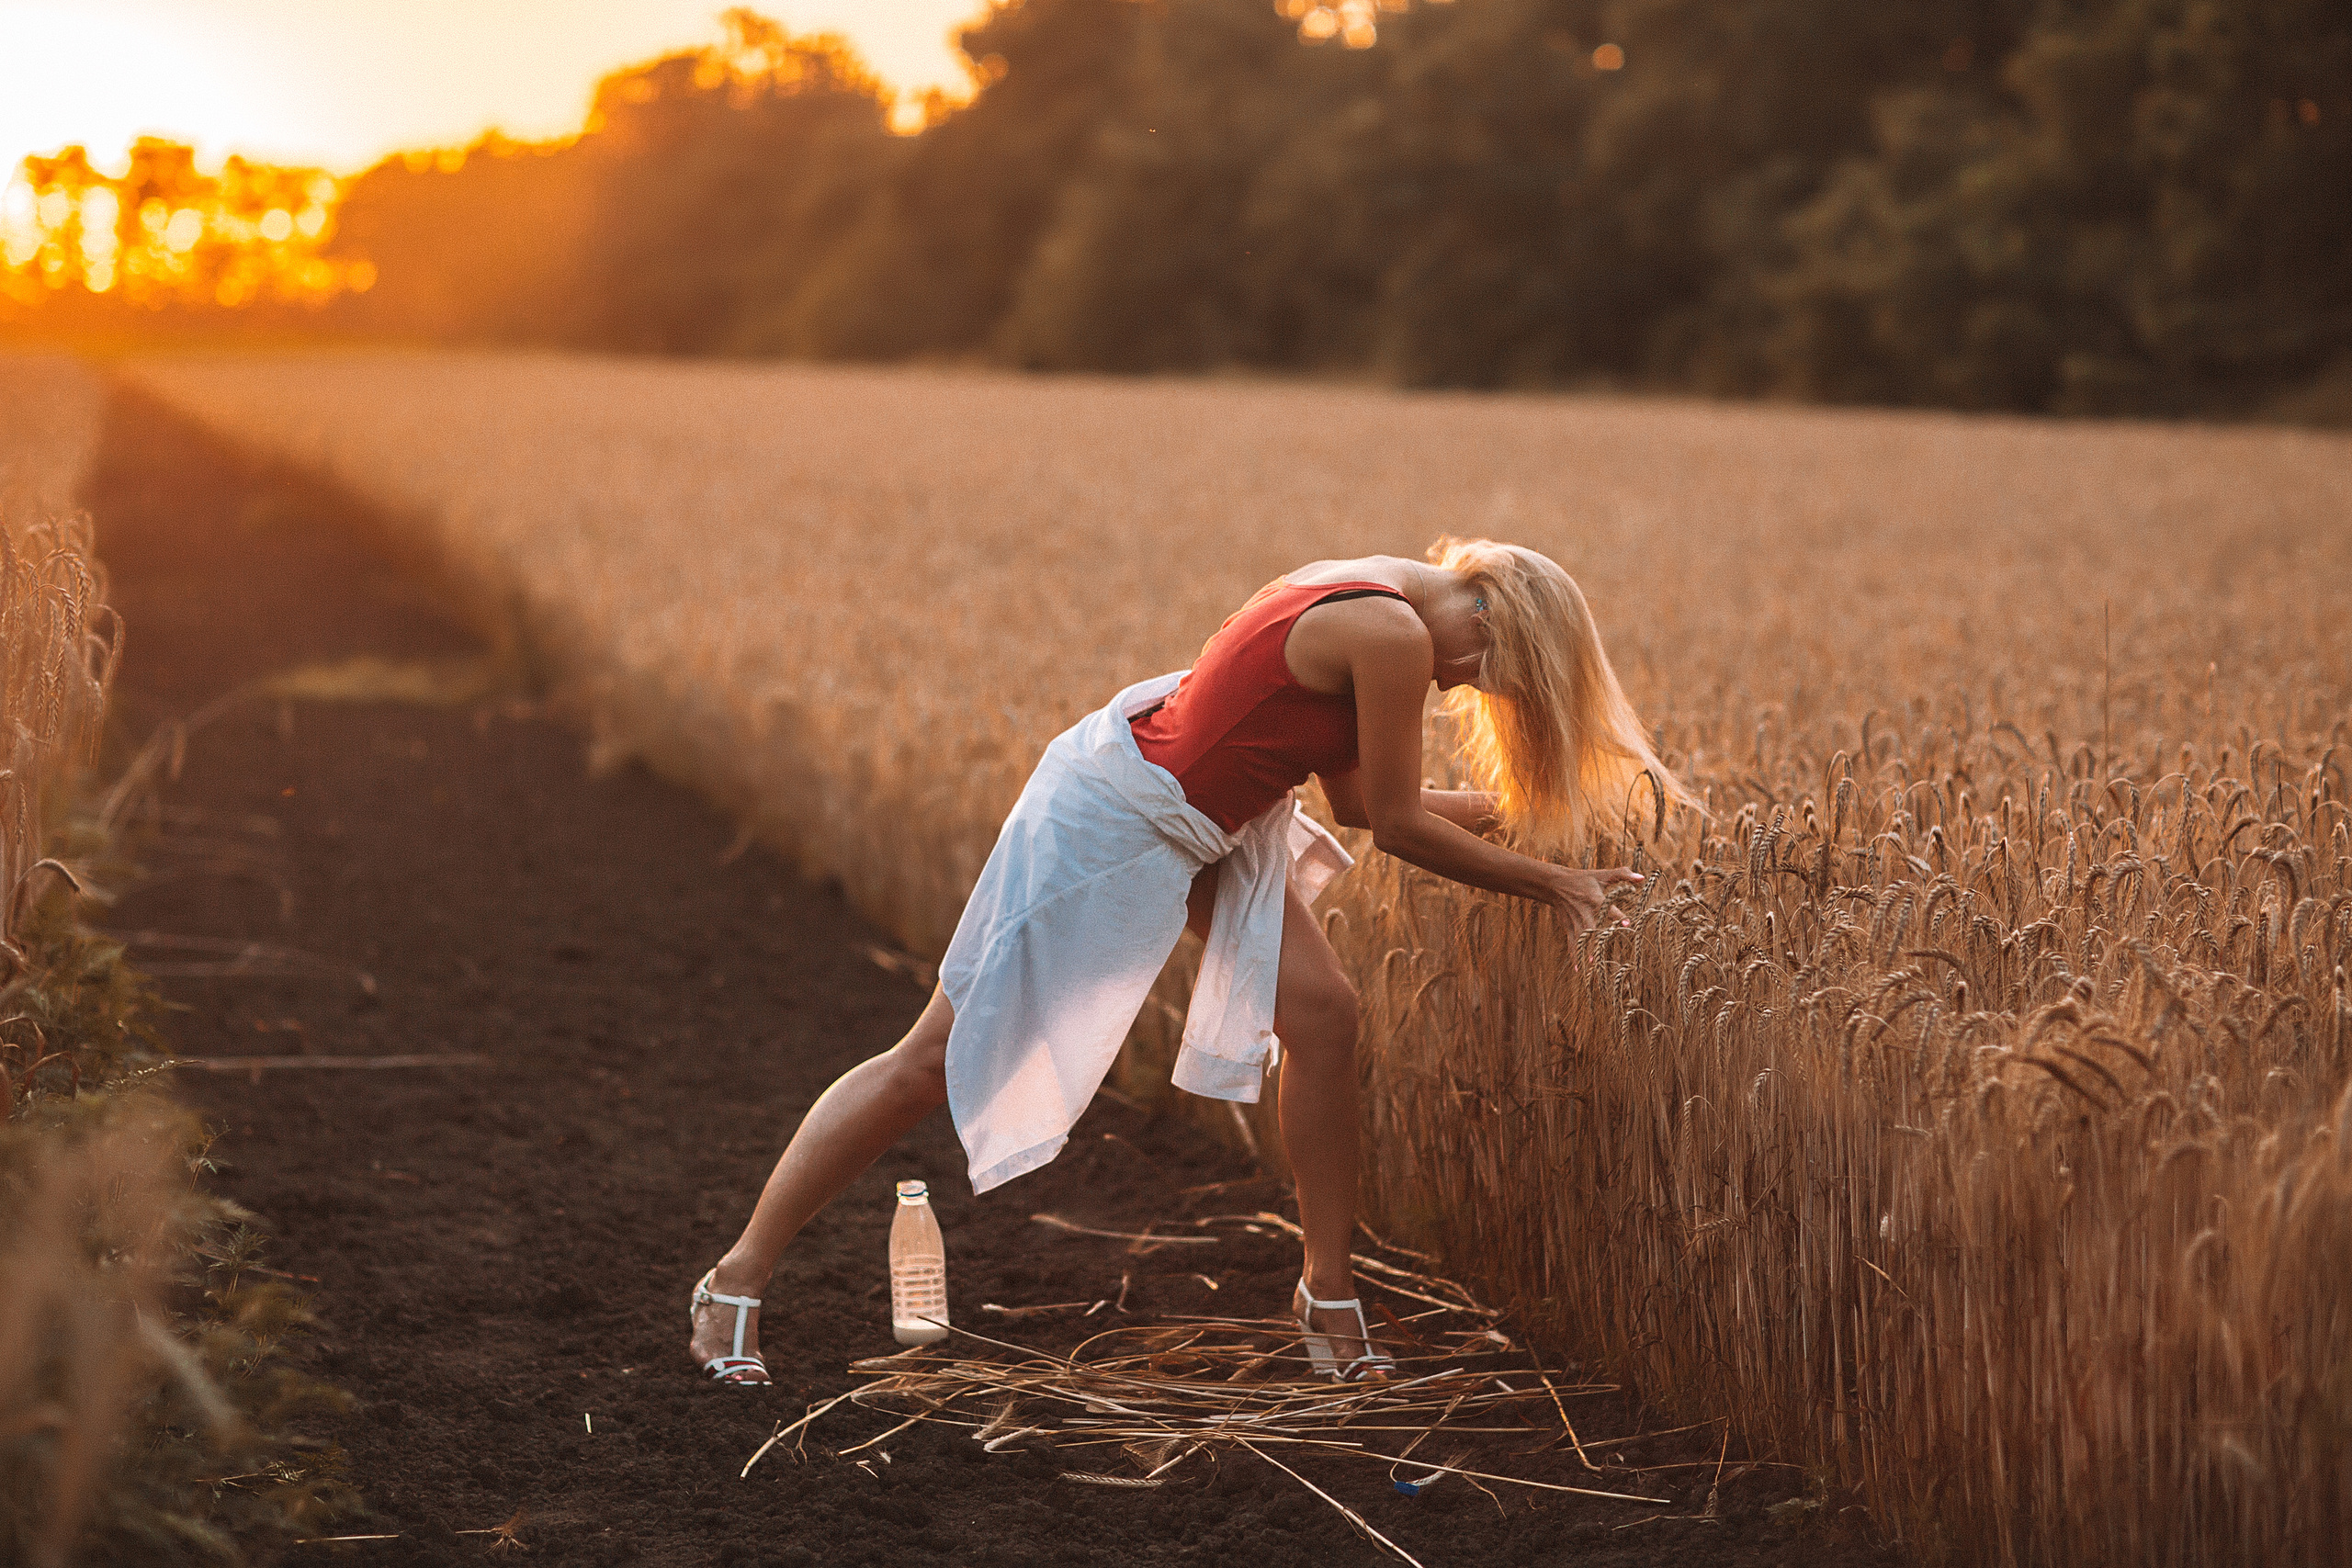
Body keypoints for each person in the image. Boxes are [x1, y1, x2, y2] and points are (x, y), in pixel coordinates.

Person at [688, 537, 1692, 1386]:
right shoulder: (1390, 633)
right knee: (927, 1063)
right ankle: (734, 1280)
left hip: (1213, 817)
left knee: (1324, 1016)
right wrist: (1559, 885)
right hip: (1115, 819)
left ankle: (1326, 1293)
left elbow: (1355, 802)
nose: (1460, 684)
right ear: (1490, 622)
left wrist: (1540, 818)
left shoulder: (1382, 593)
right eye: (1483, 673)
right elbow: (1395, 826)